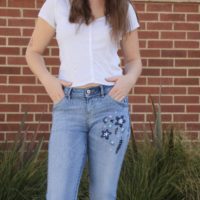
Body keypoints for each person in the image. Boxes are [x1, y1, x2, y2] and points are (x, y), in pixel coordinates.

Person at [25, 0, 142, 199]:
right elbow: (33, 52)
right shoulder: (56, 4)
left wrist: (129, 79)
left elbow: (134, 60)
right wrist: (48, 80)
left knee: (103, 194)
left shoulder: (123, 7)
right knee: (59, 195)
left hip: (110, 106)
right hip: (69, 106)